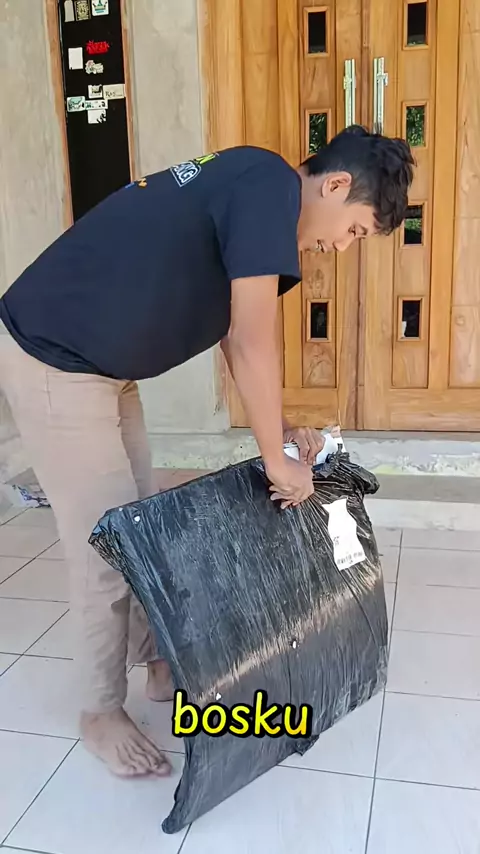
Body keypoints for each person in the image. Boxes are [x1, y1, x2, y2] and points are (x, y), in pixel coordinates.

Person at [0, 124, 414, 779]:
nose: (341, 246)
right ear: (336, 185)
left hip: (105, 368)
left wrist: (280, 428)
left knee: (141, 531)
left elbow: (232, 334)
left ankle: (159, 666)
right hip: (56, 357)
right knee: (105, 549)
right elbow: (250, 341)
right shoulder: (268, 185)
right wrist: (276, 460)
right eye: (355, 230)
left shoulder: (262, 201)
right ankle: (99, 711)